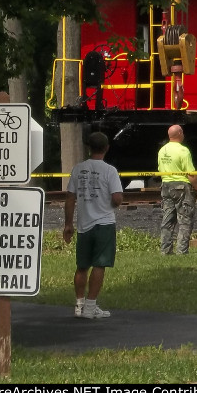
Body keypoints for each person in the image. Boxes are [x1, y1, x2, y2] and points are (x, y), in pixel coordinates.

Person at [63, 131, 123, 319]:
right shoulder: (110, 170)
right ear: (106, 148)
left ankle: (79, 305)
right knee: (99, 264)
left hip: (84, 224)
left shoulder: (78, 169)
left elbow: (70, 199)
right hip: (104, 223)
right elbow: (117, 198)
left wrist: (68, 224)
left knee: (82, 265)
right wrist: (114, 203)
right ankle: (91, 307)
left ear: (88, 148)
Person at [158, 124, 197, 255]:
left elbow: (160, 169)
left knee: (167, 220)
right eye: (182, 132)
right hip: (181, 187)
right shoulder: (183, 150)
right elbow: (191, 174)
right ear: (179, 134)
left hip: (166, 185)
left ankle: (165, 250)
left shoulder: (162, 150)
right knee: (185, 220)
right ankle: (182, 251)